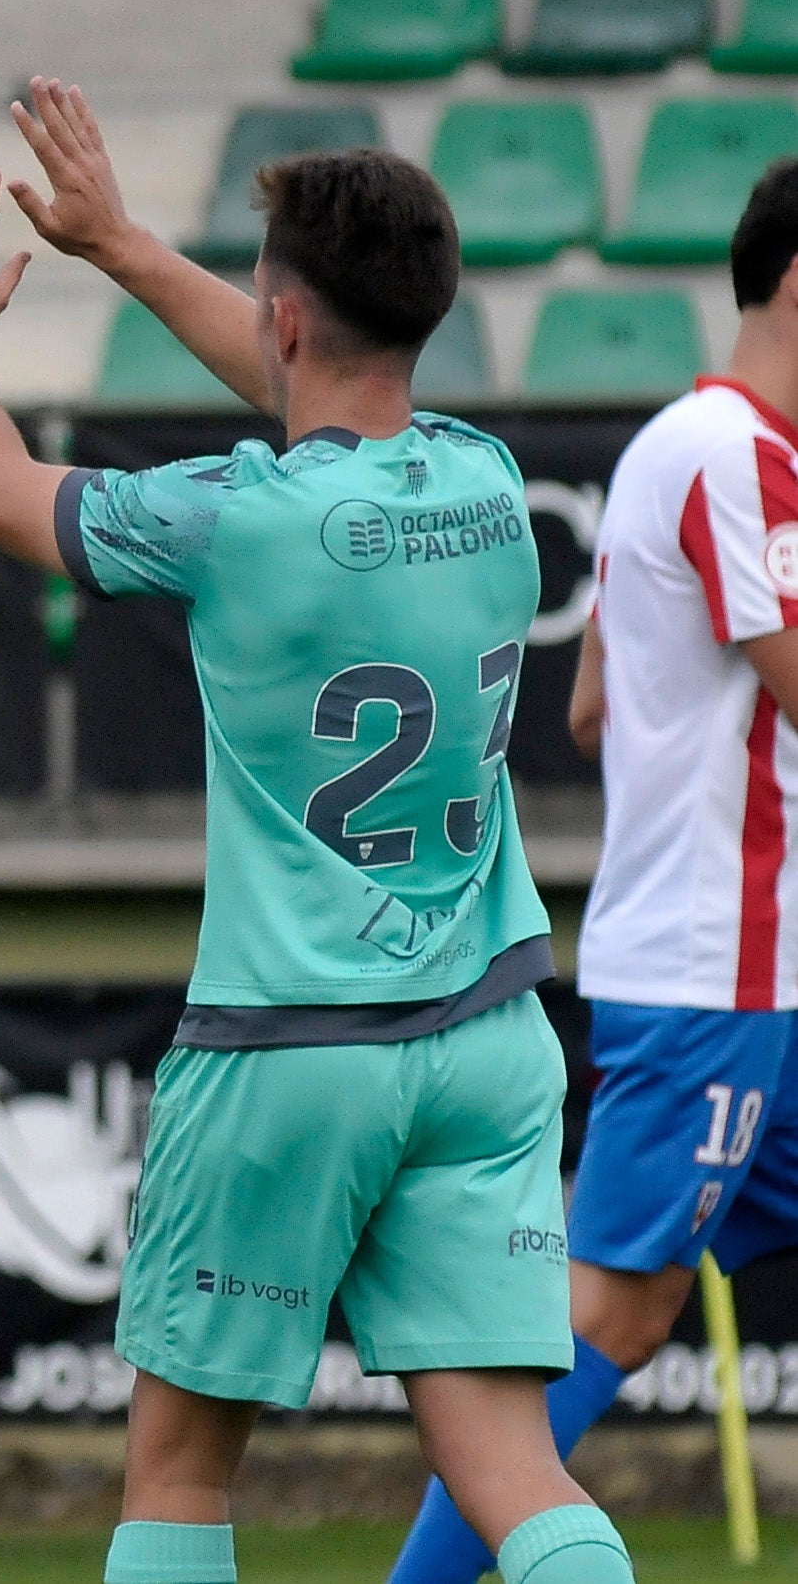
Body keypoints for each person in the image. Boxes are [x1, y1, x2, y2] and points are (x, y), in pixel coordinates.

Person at [0, 78, 636, 1584]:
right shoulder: (492, 491)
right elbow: (311, 379)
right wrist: (119, 244)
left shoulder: (237, 517)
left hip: (292, 1049)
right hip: (488, 1039)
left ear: (286, 317)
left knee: (178, 1470)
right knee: (513, 1470)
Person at [391, 159, 798, 1584]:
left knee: (612, 1318)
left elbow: (586, 708)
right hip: (720, 977)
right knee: (606, 1323)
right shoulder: (742, 456)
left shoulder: (670, 446)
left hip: (742, 968)